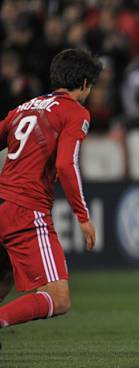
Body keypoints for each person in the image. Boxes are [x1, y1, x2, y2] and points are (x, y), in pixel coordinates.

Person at [0, 49, 101, 347]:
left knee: (3, 277)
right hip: (25, 209)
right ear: (84, 84)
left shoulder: (23, 108)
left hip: (3, 202)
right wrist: (82, 217)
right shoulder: (75, 112)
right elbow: (65, 165)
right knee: (58, 298)